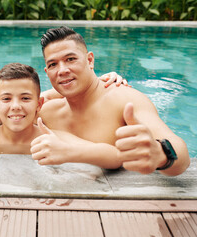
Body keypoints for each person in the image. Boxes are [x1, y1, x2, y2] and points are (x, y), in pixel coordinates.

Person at [31, 26, 190, 176]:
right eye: (53, 64)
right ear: (47, 71)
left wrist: (161, 155)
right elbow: (8, 115)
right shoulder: (46, 113)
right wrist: (52, 93)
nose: (62, 70)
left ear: (90, 60)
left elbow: (182, 157)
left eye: (71, 59)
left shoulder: (124, 100)